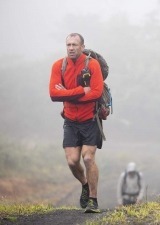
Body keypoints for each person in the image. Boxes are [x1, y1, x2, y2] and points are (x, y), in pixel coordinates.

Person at [49, 33, 104, 213]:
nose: (71, 48)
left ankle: (93, 201)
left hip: (90, 119)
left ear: (82, 46)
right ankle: (85, 184)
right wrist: (81, 91)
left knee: (88, 158)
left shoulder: (92, 65)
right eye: (68, 45)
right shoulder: (59, 66)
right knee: (72, 162)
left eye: (74, 45)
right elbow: (53, 94)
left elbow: (96, 92)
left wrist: (68, 94)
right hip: (70, 121)